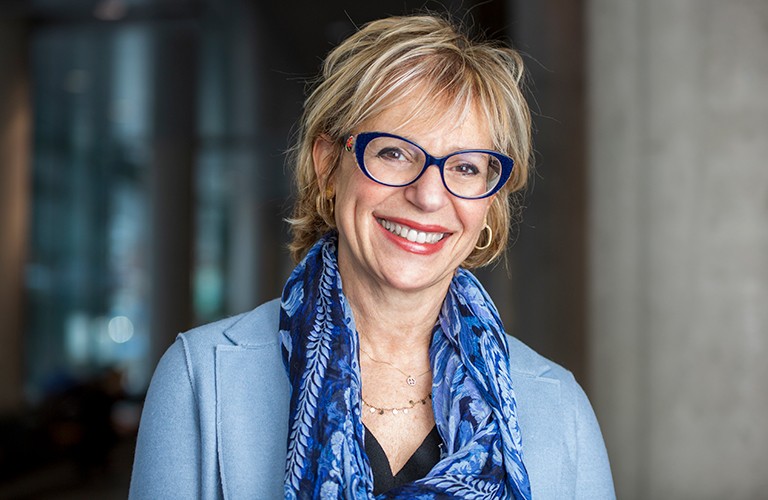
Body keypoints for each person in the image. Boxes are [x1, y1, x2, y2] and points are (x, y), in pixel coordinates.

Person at [129, 14, 615, 499]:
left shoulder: (559, 406)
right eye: (394, 153)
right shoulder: (200, 379)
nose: (427, 196)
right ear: (328, 167)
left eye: (466, 167)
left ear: (490, 199)